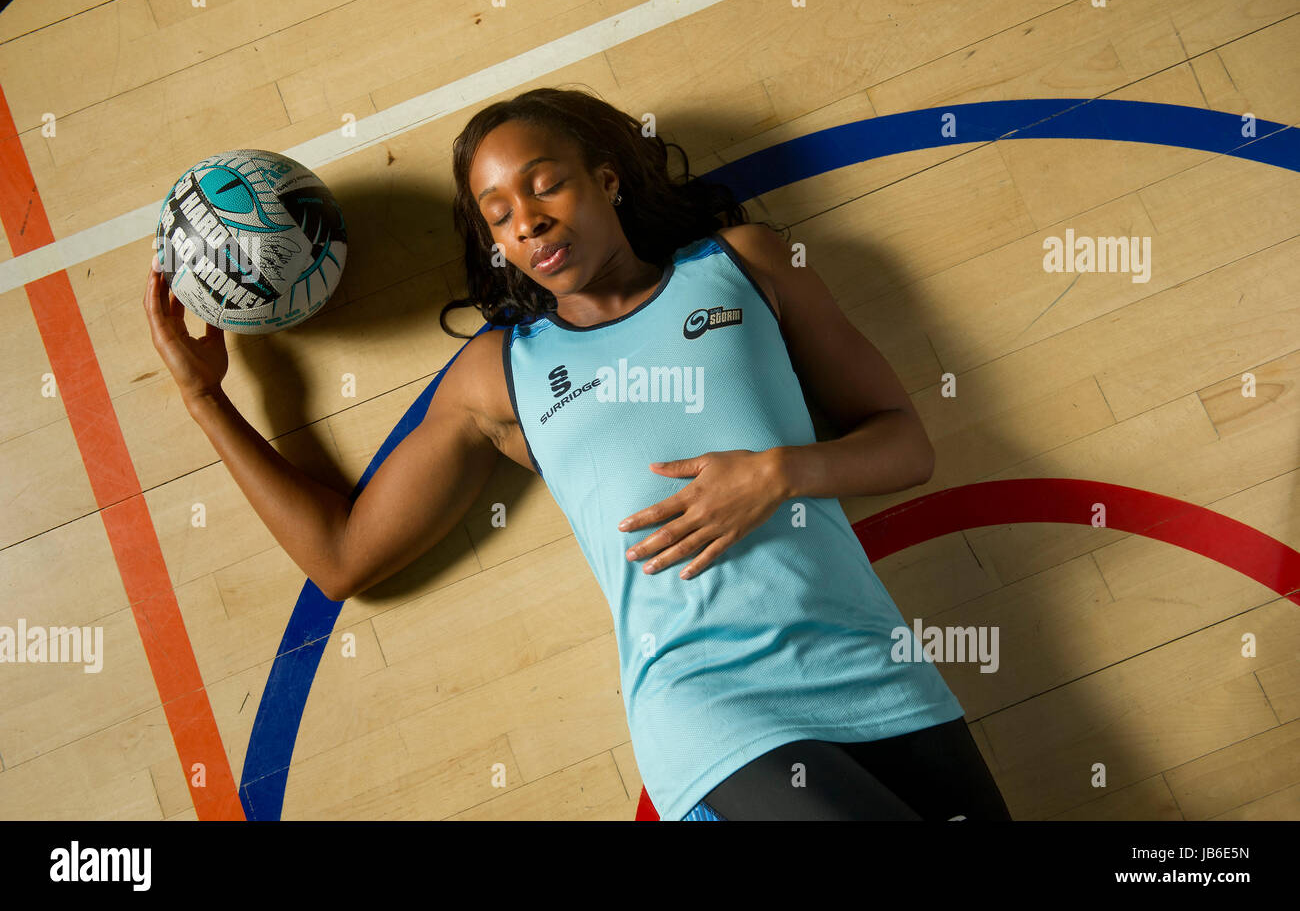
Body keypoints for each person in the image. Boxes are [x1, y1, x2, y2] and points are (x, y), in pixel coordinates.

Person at [144, 85, 1012, 822]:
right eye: (500, 214)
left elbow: (905, 442)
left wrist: (780, 472)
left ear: (606, 178)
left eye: (545, 185)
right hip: (713, 712)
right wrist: (203, 397)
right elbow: (341, 558)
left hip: (879, 673)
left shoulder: (744, 266)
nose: (528, 221)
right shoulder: (502, 375)